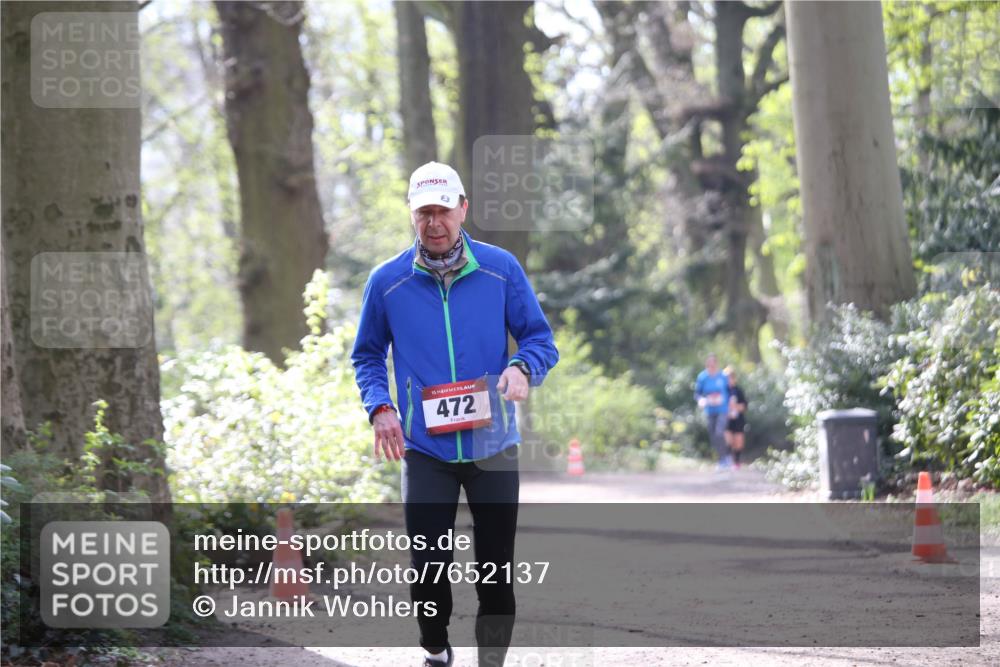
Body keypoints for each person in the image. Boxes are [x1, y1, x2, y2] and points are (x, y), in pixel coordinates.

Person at [351, 161, 559, 667]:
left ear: (463, 209)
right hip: (425, 450)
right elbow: (367, 354)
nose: (434, 222)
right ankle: (436, 650)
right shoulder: (387, 282)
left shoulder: (500, 269)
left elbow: (539, 338)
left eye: (443, 209)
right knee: (427, 567)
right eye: (424, 212)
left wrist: (521, 368)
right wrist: (380, 407)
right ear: (412, 216)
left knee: (495, 569)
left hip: (492, 446)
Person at [694, 353, 731, 469]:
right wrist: (701, 400)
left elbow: (730, 392)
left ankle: (725, 458)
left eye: (713, 363)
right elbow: (697, 394)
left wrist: (731, 406)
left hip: (722, 409)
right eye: (709, 363)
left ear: (716, 364)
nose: (711, 365)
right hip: (710, 410)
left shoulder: (723, 376)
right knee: (713, 434)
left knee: (719, 432)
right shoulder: (702, 377)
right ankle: (722, 458)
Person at [723, 367, 748, 469]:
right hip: (726, 419)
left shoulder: (739, 390)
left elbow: (744, 406)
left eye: (731, 377)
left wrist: (736, 407)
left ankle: (736, 461)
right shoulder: (723, 391)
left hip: (738, 419)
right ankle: (727, 460)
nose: (729, 379)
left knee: (738, 442)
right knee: (728, 440)